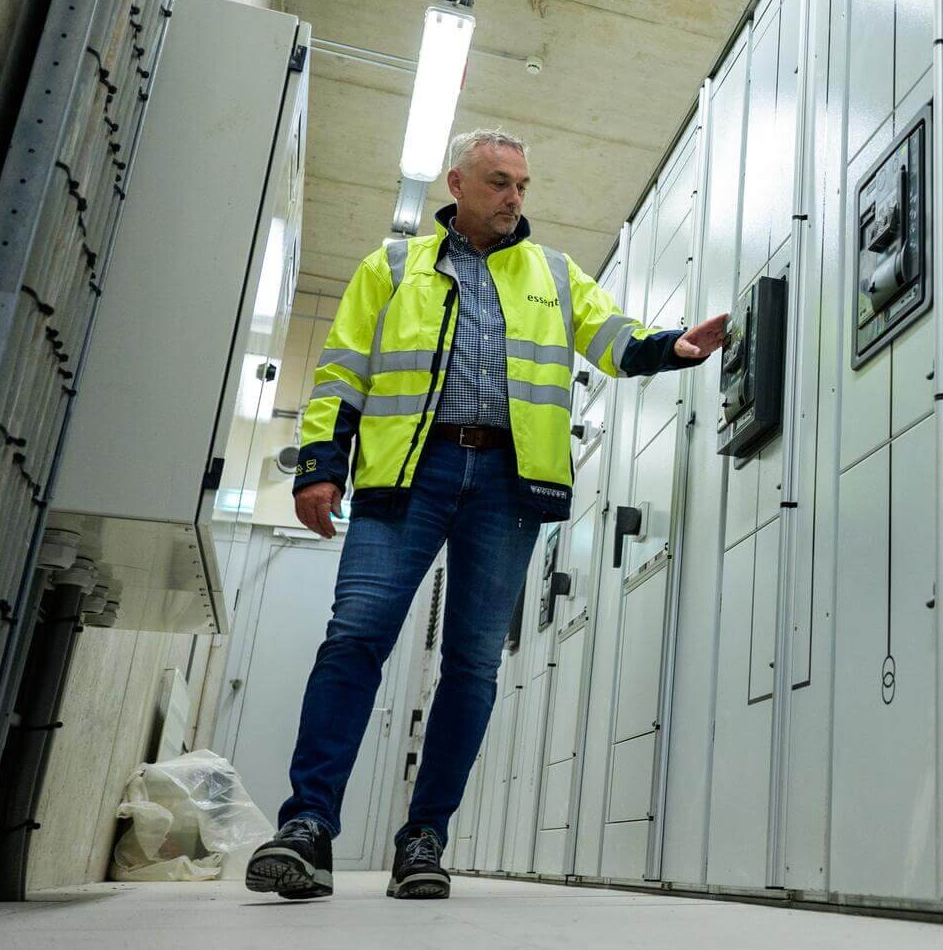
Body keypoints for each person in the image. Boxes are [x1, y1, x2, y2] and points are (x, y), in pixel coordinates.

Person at [246, 128, 726, 902]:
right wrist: (320, 466)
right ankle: (308, 826)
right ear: (458, 183)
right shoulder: (392, 267)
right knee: (356, 635)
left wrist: (675, 347)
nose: (514, 198)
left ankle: (425, 836)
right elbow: (341, 370)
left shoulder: (554, 273)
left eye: (523, 186)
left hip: (509, 482)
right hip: (409, 472)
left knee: (471, 663)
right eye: (499, 182)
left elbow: (615, 338)